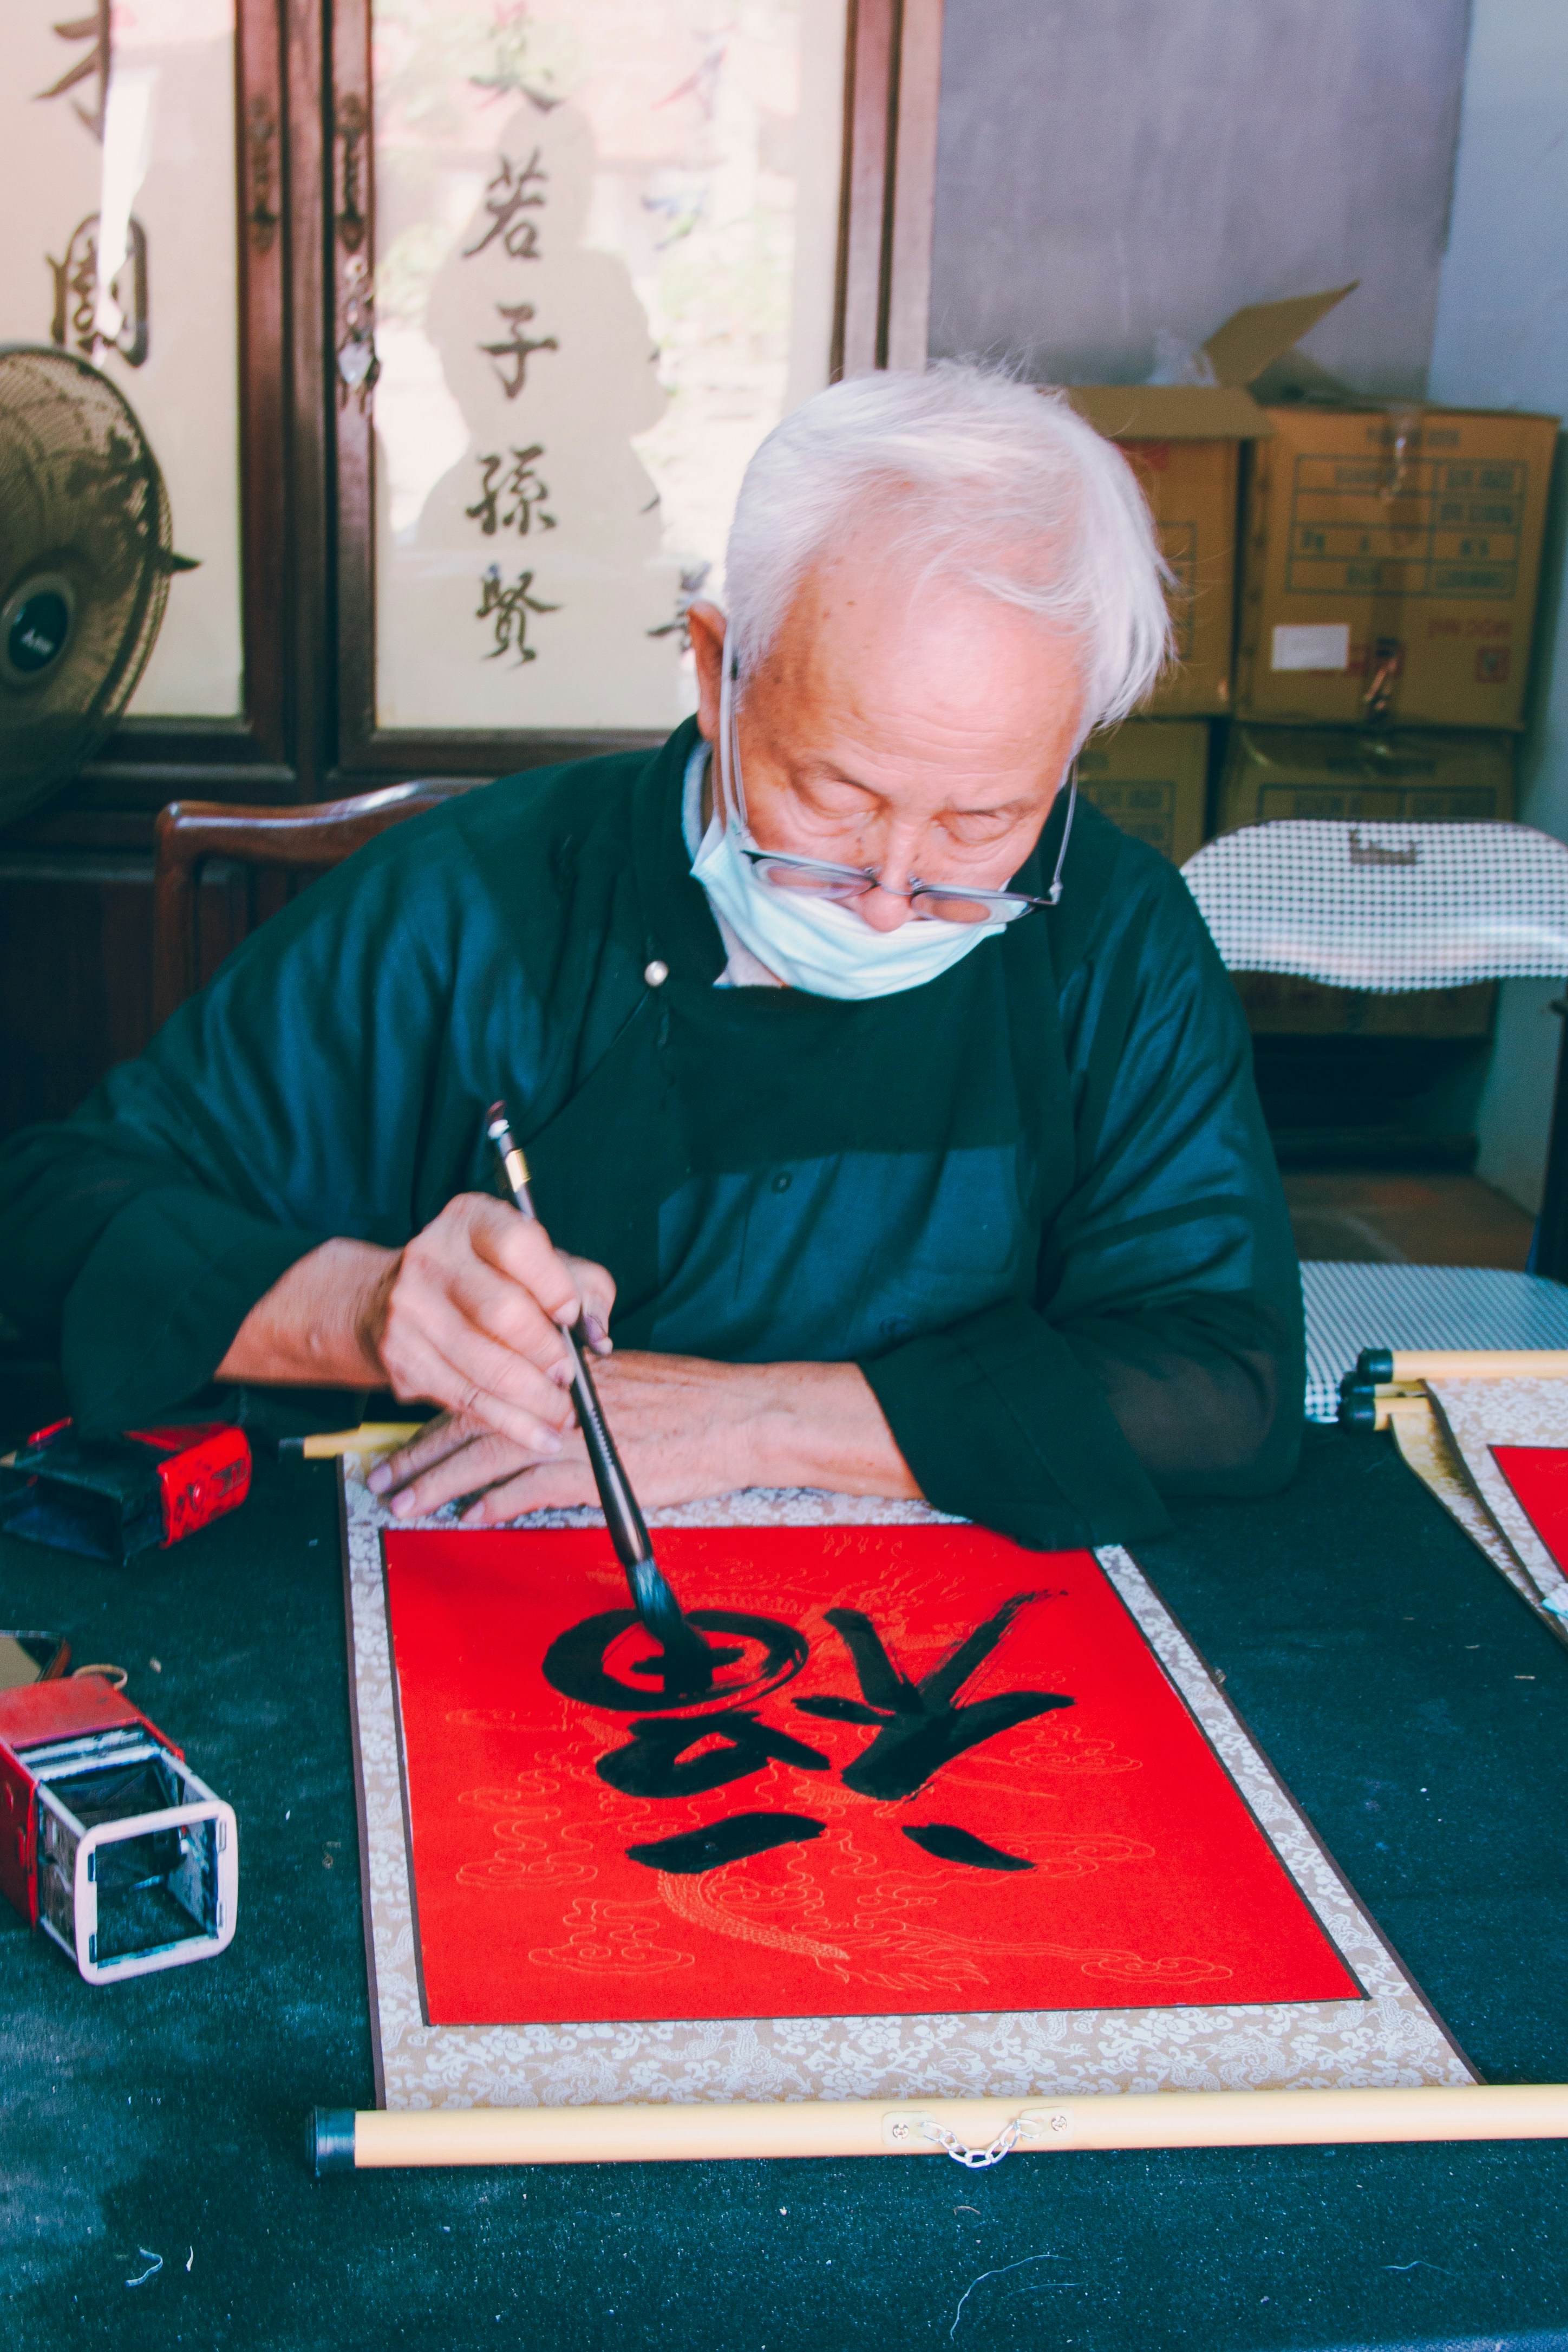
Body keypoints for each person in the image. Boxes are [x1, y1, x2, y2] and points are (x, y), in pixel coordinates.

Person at [0, 364, 1302, 1550]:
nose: (895, 897)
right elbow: (52, 1215)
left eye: (983, 821)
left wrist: (755, 1422)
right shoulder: (479, 899)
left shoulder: (1109, 936)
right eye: (835, 797)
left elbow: (1222, 1384)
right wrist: (363, 1305)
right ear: (717, 669)